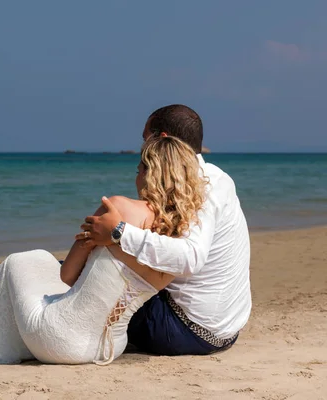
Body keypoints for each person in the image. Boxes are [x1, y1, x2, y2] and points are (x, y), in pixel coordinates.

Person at [0, 135, 207, 373]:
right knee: (44, 271)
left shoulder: (118, 208)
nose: (136, 174)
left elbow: (67, 274)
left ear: (151, 172)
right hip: (110, 347)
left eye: (140, 167)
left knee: (21, 261)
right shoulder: (177, 241)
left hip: (60, 340)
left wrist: (92, 243)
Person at [78, 104, 251, 356]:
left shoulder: (206, 182)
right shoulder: (201, 179)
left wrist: (118, 233)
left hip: (186, 328)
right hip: (219, 331)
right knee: (95, 270)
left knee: (90, 276)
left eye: (144, 139)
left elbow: (190, 258)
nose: (141, 148)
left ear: (161, 139)